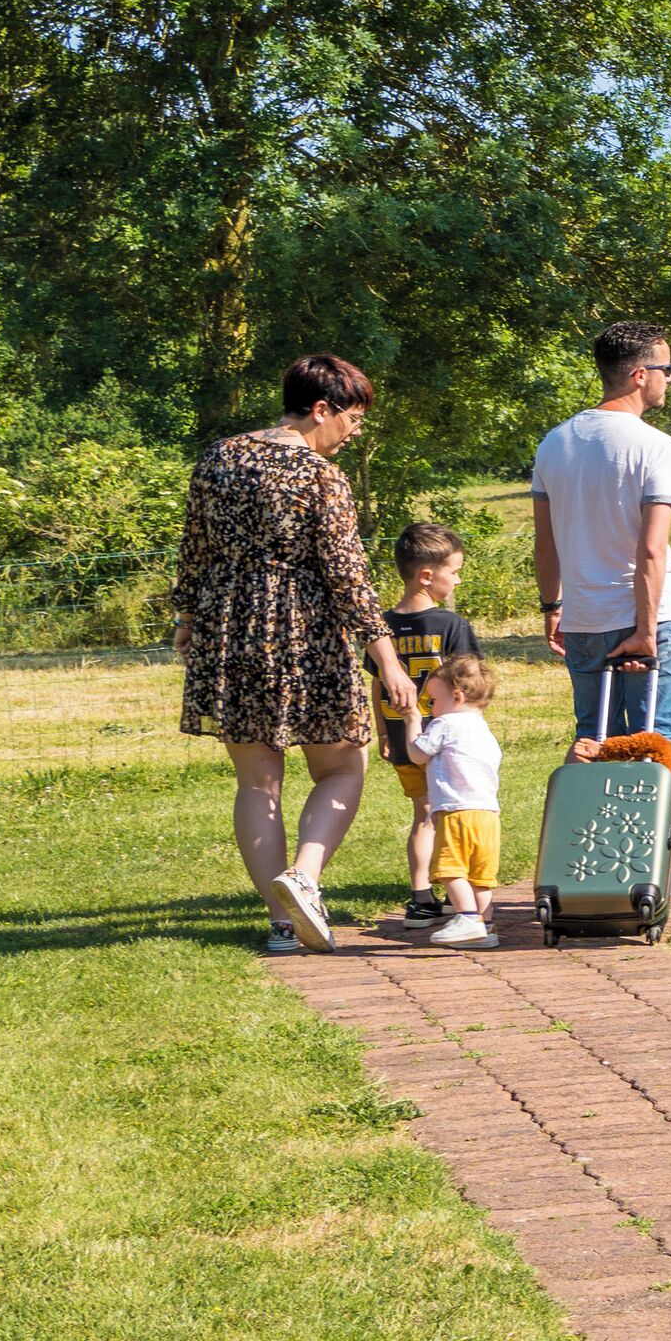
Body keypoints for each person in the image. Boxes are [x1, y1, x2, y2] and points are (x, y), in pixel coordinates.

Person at [170, 355, 421, 954]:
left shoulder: (219, 457)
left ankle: (281, 926)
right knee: (344, 764)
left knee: (258, 782)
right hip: (303, 629)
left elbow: (194, 545)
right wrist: (385, 657)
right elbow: (347, 573)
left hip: (227, 626)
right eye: (353, 417)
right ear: (320, 410)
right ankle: (304, 878)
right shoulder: (318, 474)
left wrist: (186, 616)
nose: (355, 430)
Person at [532, 321, 671, 745]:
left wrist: (553, 606)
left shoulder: (553, 443)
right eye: (667, 368)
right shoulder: (657, 446)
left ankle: (587, 814)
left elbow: (545, 543)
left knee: (593, 741)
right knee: (651, 745)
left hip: (584, 620)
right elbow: (652, 550)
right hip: (646, 617)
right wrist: (645, 629)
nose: (670, 378)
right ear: (641, 375)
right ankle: (655, 817)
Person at [376, 522, 483, 930]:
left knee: (423, 813)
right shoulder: (452, 626)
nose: (457, 579)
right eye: (454, 571)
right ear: (426, 575)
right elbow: (471, 683)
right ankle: (466, 897)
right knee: (455, 814)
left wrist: (385, 732)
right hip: (448, 743)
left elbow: (377, 681)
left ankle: (422, 898)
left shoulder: (381, 627)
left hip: (406, 740)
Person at [400, 653, 506, 952]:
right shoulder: (483, 730)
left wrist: (412, 721)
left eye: (433, 700)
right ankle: (485, 928)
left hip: (456, 811)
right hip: (487, 813)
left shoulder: (445, 723)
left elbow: (418, 754)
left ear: (457, 696)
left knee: (450, 869)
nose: (431, 707)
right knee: (480, 877)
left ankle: (467, 917)